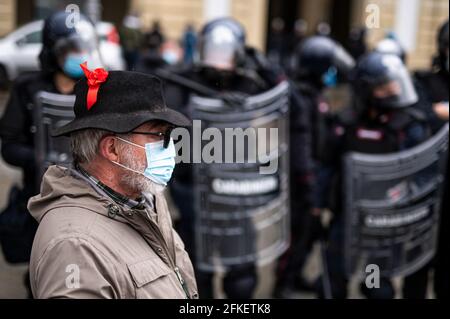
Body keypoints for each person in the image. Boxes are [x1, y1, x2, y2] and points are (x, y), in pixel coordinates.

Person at [28, 65, 198, 299]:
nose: (170, 147)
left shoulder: (145, 198)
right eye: (159, 135)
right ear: (112, 149)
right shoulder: (74, 246)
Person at [147, 17, 282, 299]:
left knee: (242, 268)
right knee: (196, 269)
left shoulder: (248, 82)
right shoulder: (181, 80)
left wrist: (264, 66)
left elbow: (284, 99)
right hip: (195, 190)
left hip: (235, 190)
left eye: (226, 54)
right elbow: (167, 127)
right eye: (214, 53)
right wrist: (202, 115)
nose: (219, 62)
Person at [0, 11, 102, 295]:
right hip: (40, 200)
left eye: (82, 48)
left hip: (90, 203)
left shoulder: (98, 90)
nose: (78, 55)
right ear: (51, 50)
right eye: (70, 49)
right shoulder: (27, 88)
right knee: (42, 277)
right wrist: (43, 158)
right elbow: (9, 146)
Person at [316, 52, 430, 299]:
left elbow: (420, 174)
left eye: (395, 85)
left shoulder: (407, 125)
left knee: (376, 286)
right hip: (346, 219)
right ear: (367, 90)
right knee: (332, 283)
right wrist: (317, 206)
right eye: (385, 87)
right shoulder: (345, 123)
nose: (394, 91)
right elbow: (327, 166)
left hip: (383, 224)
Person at [273, 36, 355, 298]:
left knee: (308, 233)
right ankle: (282, 284)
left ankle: (296, 276)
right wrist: (309, 183)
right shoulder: (299, 96)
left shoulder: (315, 94)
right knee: (294, 234)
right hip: (300, 180)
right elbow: (301, 144)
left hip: (314, 176)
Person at [404, 20, 449, 300]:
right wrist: (436, 114)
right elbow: (415, 119)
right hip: (425, 186)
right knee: (416, 262)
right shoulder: (423, 81)